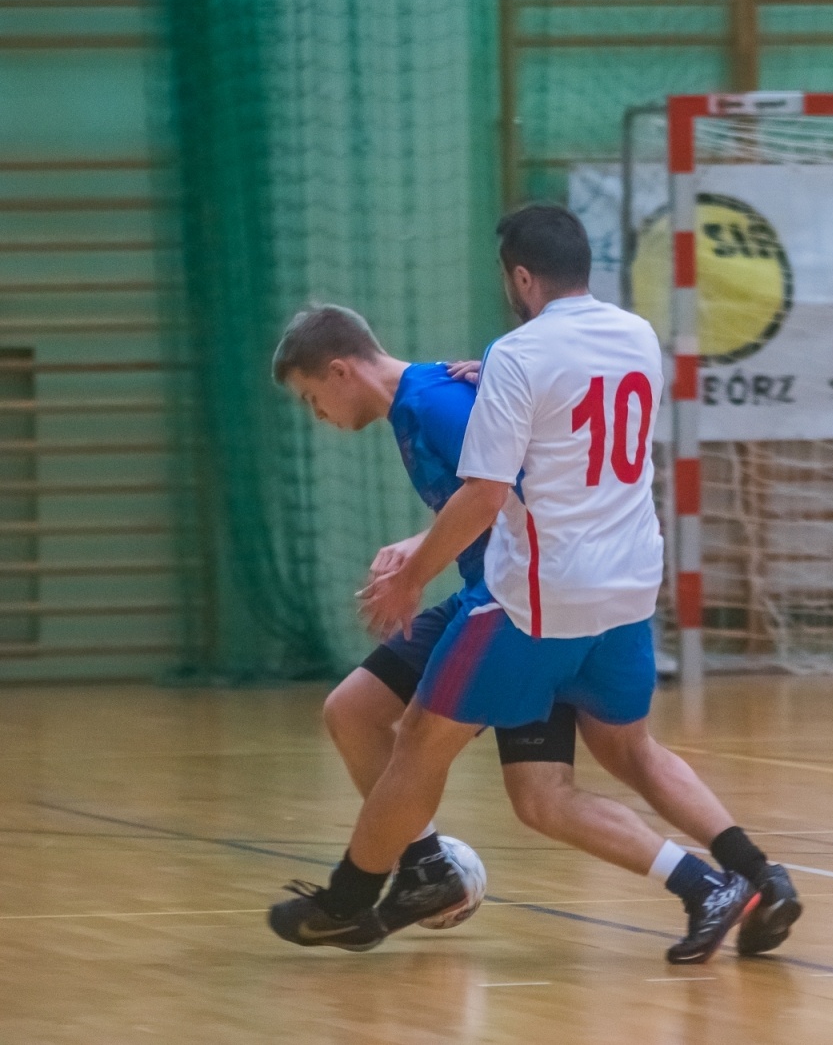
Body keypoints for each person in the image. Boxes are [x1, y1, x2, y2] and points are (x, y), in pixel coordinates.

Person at [267, 204, 800, 962]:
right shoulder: (636, 335)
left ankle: (354, 901)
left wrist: (412, 570)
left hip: (530, 599)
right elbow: (562, 434)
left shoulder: (497, 365)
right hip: (624, 583)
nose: (316, 413)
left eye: (309, 397)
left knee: (423, 740)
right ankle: (749, 877)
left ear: (521, 277)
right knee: (581, 772)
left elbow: (493, 491)